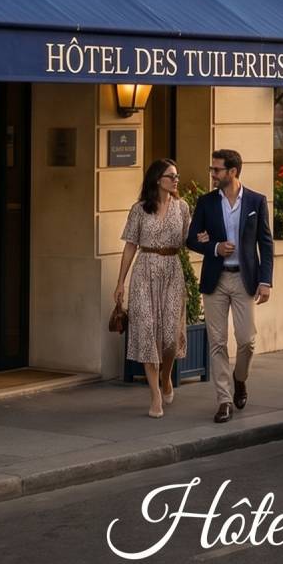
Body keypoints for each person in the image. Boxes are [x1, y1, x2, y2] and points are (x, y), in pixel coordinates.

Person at [187, 148, 273, 423]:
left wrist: (265, 281)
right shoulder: (206, 202)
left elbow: (266, 243)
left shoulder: (256, 201)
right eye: (213, 169)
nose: (212, 174)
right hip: (216, 279)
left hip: (244, 278)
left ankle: (240, 378)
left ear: (232, 172)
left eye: (217, 170)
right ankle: (224, 400)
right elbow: (191, 239)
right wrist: (214, 247)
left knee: (247, 341)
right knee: (218, 342)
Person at [114, 158, 190, 420]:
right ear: (158, 179)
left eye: (177, 176)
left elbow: (189, 239)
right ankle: (155, 394)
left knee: (169, 337)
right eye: (172, 175)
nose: (176, 180)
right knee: (147, 331)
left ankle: (166, 377)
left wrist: (202, 239)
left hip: (172, 271)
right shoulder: (139, 210)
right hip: (144, 272)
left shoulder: (182, 208)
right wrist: (120, 282)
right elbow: (130, 246)